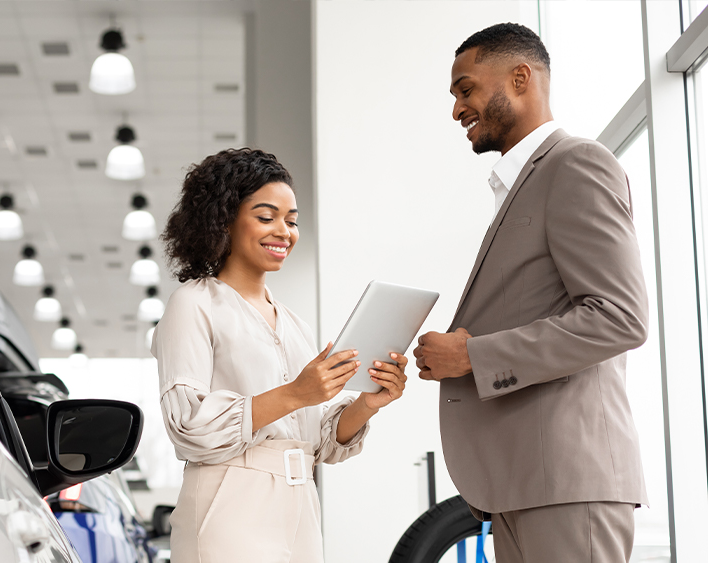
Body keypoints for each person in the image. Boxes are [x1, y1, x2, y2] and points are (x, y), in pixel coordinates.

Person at [413, 23, 649, 562]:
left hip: (566, 484)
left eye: (465, 89)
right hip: (524, 485)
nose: (457, 110)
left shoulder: (577, 165)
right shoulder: (528, 181)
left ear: (520, 78)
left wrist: (471, 356)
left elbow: (619, 317)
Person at [151, 148, 407, 562]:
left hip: (301, 505)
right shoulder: (193, 303)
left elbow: (321, 442)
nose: (284, 232)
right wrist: (296, 393)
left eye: (292, 221)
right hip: (229, 503)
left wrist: (367, 403)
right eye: (266, 217)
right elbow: (188, 425)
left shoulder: (293, 324)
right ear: (224, 219)